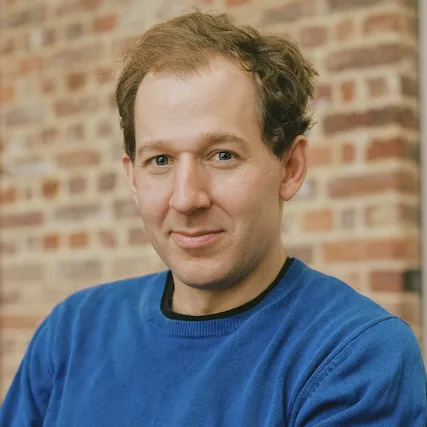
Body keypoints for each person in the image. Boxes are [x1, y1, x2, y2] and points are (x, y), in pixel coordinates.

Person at [1, 10, 426, 426]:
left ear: (290, 168)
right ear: (132, 177)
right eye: (160, 160)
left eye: (222, 155)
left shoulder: (353, 356)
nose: (187, 198)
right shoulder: (71, 334)